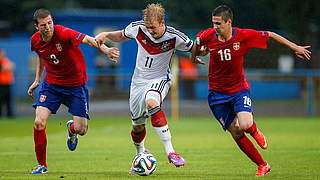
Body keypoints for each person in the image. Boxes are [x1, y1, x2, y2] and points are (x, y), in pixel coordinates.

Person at [191, 5, 311, 177]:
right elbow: (197, 42)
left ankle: (254, 131)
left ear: (229, 22)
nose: (215, 27)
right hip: (216, 94)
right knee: (236, 131)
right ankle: (262, 165)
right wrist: (194, 57)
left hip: (239, 89)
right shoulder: (208, 35)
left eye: (218, 23)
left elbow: (270, 34)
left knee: (246, 125)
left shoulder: (243, 35)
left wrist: (294, 47)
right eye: (213, 23)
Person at [95, 3, 193, 171]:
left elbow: (195, 47)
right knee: (137, 126)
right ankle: (140, 154)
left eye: (153, 27)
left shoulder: (175, 37)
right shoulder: (138, 28)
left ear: (162, 23)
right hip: (138, 82)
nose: (150, 31)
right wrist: (106, 34)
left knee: (152, 102)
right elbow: (121, 36)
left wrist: (198, 55)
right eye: (147, 27)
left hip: (160, 78)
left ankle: (171, 152)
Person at [28, 8, 119, 174]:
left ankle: (72, 130)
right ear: (37, 27)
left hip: (76, 86)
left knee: (81, 129)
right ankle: (42, 165)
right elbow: (41, 57)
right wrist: (37, 80)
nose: (48, 27)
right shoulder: (35, 41)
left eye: (50, 23)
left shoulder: (63, 33)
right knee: (39, 122)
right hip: (52, 86)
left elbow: (88, 39)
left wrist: (106, 50)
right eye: (43, 25)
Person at [0, 49, 15, 118]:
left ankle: (9, 114)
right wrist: (7, 67)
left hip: (8, 83)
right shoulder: (2, 61)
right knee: (1, 100)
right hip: (1, 84)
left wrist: (7, 67)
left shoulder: (5, 60)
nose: (2, 54)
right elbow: (5, 68)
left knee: (8, 99)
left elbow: (12, 66)